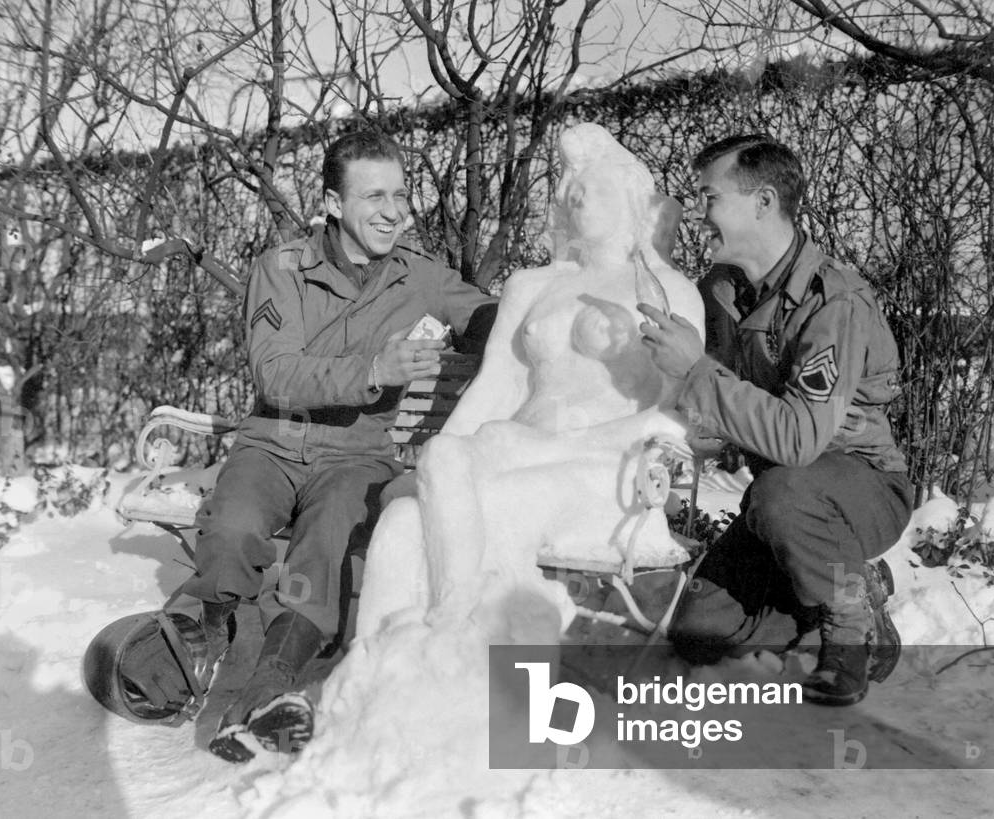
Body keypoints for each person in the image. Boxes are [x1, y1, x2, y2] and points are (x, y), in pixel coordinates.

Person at [180, 130, 497, 762]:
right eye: (373, 196)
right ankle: (208, 640)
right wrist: (374, 367)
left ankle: (270, 688)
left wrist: (526, 319)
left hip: (356, 455)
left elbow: (497, 318)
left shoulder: (423, 277)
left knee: (323, 552)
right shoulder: (281, 269)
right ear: (332, 202)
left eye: (401, 195)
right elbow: (276, 373)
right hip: (272, 443)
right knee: (232, 533)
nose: (393, 211)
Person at [355, 123, 704, 643]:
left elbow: (671, 415)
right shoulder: (532, 287)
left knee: (494, 506)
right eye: (573, 185)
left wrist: (551, 445)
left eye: (597, 184)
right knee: (405, 519)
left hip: (605, 471)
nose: (580, 194)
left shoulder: (666, 291)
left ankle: (463, 644)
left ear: (634, 200)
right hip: (512, 450)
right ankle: (377, 670)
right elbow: (494, 387)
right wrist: (453, 449)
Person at [638, 134, 913, 706]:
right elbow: (722, 396)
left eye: (711, 197)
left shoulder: (834, 303)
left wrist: (696, 372)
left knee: (783, 492)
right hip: (780, 501)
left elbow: (797, 440)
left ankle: (847, 636)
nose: (700, 213)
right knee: (700, 632)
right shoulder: (721, 292)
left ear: (763, 202)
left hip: (858, 487)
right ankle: (854, 587)